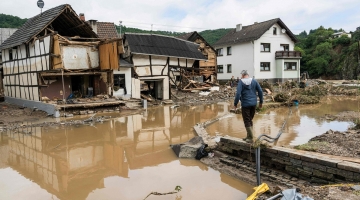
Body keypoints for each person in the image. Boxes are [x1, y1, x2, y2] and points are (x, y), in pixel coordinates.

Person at [233, 70, 263, 143]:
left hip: (245, 104)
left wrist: (235, 103)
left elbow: (237, 94)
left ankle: (252, 138)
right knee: (250, 120)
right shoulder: (254, 81)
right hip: (253, 104)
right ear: (248, 75)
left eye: (241, 75)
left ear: (243, 75)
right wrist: (261, 102)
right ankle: (248, 136)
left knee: (247, 121)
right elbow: (260, 91)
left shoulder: (241, 82)